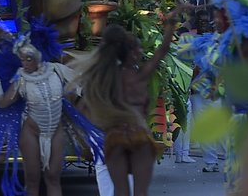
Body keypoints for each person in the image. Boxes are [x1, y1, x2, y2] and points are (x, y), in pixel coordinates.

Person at [76, 12, 181, 196]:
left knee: (120, 189)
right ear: (128, 51)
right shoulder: (134, 76)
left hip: (114, 139)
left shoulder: (103, 77)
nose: (140, 52)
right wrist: (171, 23)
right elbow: (162, 51)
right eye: (137, 49)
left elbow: (85, 108)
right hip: (134, 137)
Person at [0, 42, 77, 196]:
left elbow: (79, 84)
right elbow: (2, 103)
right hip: (31, 133)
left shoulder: (57, 71)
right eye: (22, 60)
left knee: (53, 177)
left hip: (55, 131)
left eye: (28, 59)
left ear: (38, 58)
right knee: (32, 179)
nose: (24, 63)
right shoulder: (21, 77)